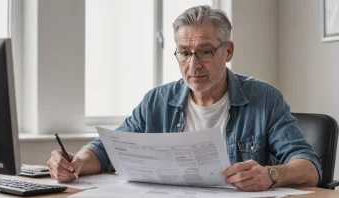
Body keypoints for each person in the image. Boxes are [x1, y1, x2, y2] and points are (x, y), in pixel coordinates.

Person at [47, 5, 321, 192]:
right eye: (184, 53)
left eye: (205, 51)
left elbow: (309, 166)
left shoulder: (265, 98)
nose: (193, 65)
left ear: (228, 51)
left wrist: (271, 176)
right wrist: (78, 162)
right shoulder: (156, 101)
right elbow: (106, 150)